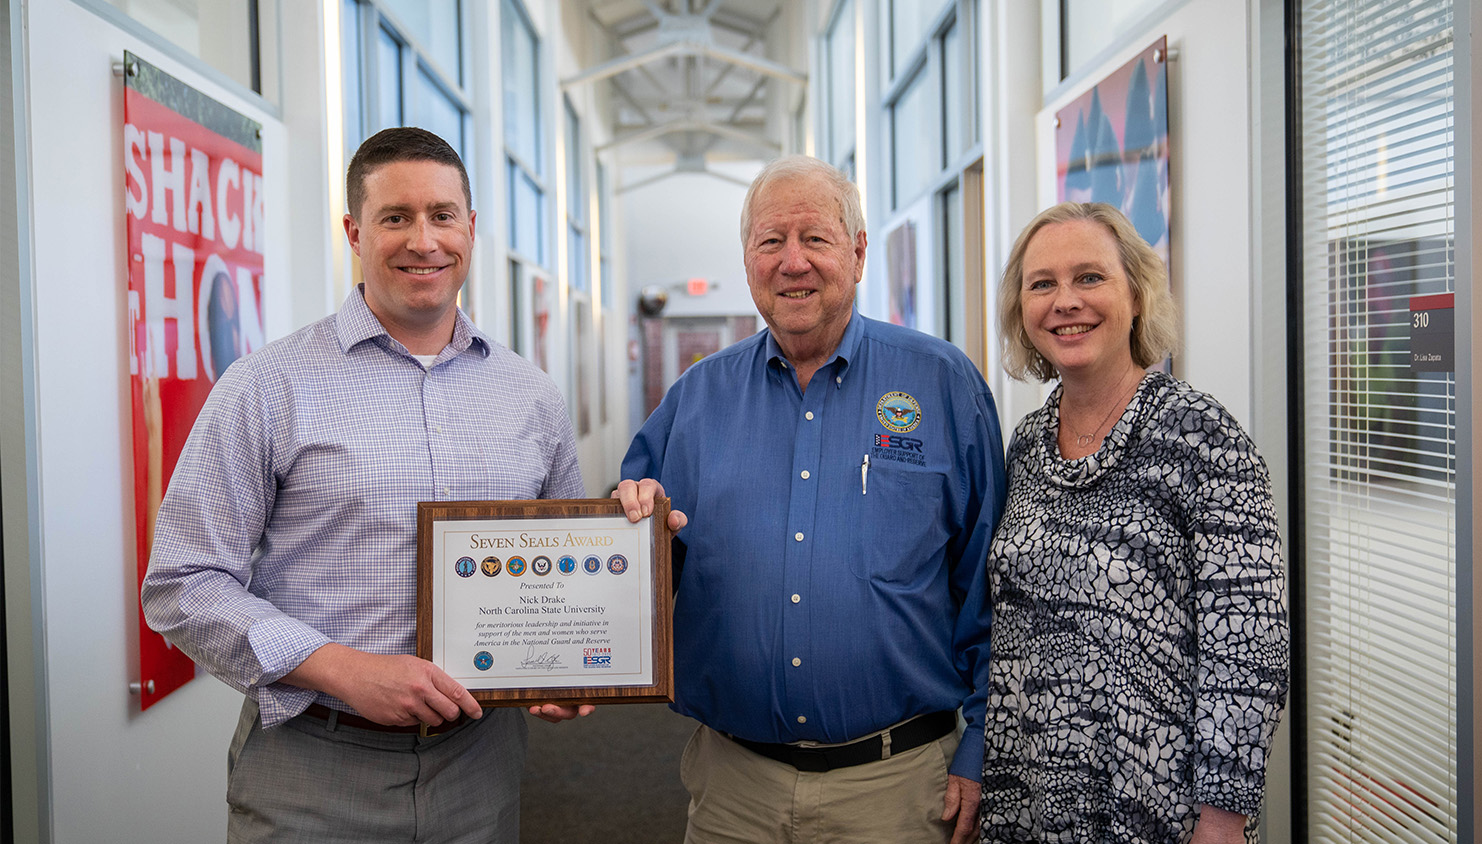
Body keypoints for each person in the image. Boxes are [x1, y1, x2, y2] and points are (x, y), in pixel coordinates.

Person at [142, 127, 669, 843]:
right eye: (396, 218)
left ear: (471, 228)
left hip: (479, 767)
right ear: (355, 231)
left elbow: (559, 561)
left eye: (442, 216)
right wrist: (337, 668)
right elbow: (183, 582)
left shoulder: (531, 395)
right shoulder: (269, 385)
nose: (424, 240)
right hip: (314, 767)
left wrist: (562, 667)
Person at [617, 155, 1004, 844]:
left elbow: (991, 587)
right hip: (734, 785)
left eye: (815, 238)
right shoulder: (694, 402)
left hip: (897, 787)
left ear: (856, 254)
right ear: (747, 261)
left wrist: (980, 746)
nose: (792, 261)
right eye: (770, 241)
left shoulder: (944, 386)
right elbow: (630, 566)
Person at [980, 202, 1288, 843]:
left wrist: (1222, 820)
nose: (1066, 301)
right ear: (1022, 312)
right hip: (1029, 804)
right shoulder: (1027, 445)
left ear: (1138, 296)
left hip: (1157, 813)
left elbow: (1248, 644)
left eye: (1090, 277)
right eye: (1043, 284)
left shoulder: (1200, 437)